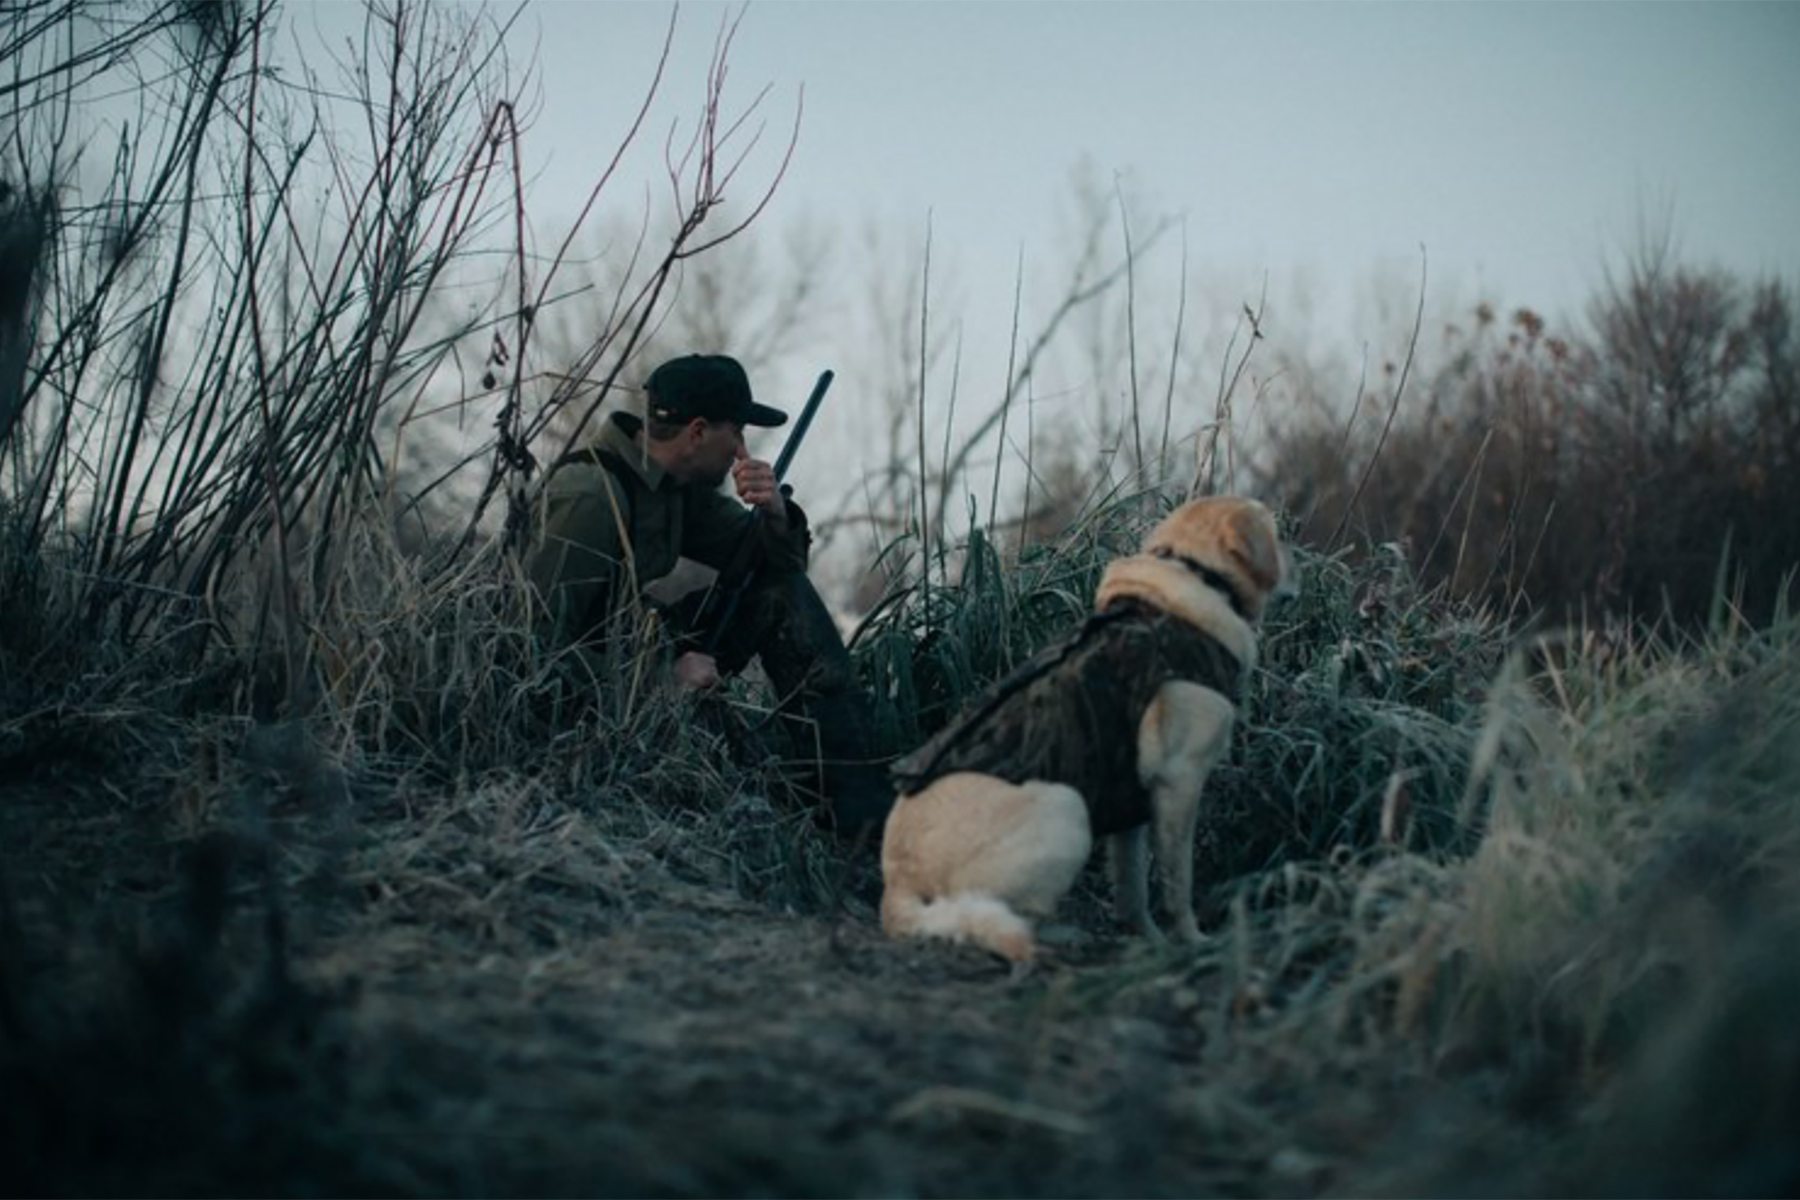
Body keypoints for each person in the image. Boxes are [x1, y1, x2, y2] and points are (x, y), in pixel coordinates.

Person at [525, 353, 893, 838]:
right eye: (735, 431)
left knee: (777, 592)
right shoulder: (592, 495)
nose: (742, 447)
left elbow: (771, 570)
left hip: (630, 652)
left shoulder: (675, 487)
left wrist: (777, 514)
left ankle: (861, 810)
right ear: (697, 433)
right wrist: (661, 679)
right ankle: (852, 823)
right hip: (582, 692)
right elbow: (529, 648)